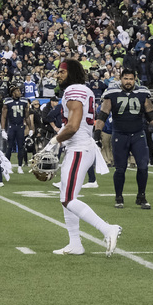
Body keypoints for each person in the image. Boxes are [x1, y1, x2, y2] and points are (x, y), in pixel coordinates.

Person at [46, 59, 121, 257]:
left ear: (72, 73)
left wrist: (53, 142)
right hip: (77, 147)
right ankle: (75, 243)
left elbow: (73, 126)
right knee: (66, 196)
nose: (58, 75)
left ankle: (107, 229)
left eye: (62, 72)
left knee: (68, 198)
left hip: (79, 148)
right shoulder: (81, 90)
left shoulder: (74, 91)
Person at [93, 69, 153, 209]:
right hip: (120, 134)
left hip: (138, 134)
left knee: (143, 167)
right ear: (121, 79)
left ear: (135, 79)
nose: (128, 82)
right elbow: (103, 114)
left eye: (131, 79)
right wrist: (97, 132)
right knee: (120, 168)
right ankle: (119, 197)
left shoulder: (142, 92)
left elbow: (150, 114)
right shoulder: (112, 93)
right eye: (125, 79)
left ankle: (141, 196)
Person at [2, 85, 34, 174]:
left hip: (20, 127)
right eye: (17, 91)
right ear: (13, 93)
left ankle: (20, 166)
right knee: (9, 147)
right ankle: (7, 166)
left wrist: (30, 128)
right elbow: (3, 116)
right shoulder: (7, 102)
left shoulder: (24, 101)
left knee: (21, 147)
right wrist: (2, 130)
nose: (19, 92)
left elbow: (27, 116)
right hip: (11, 127)